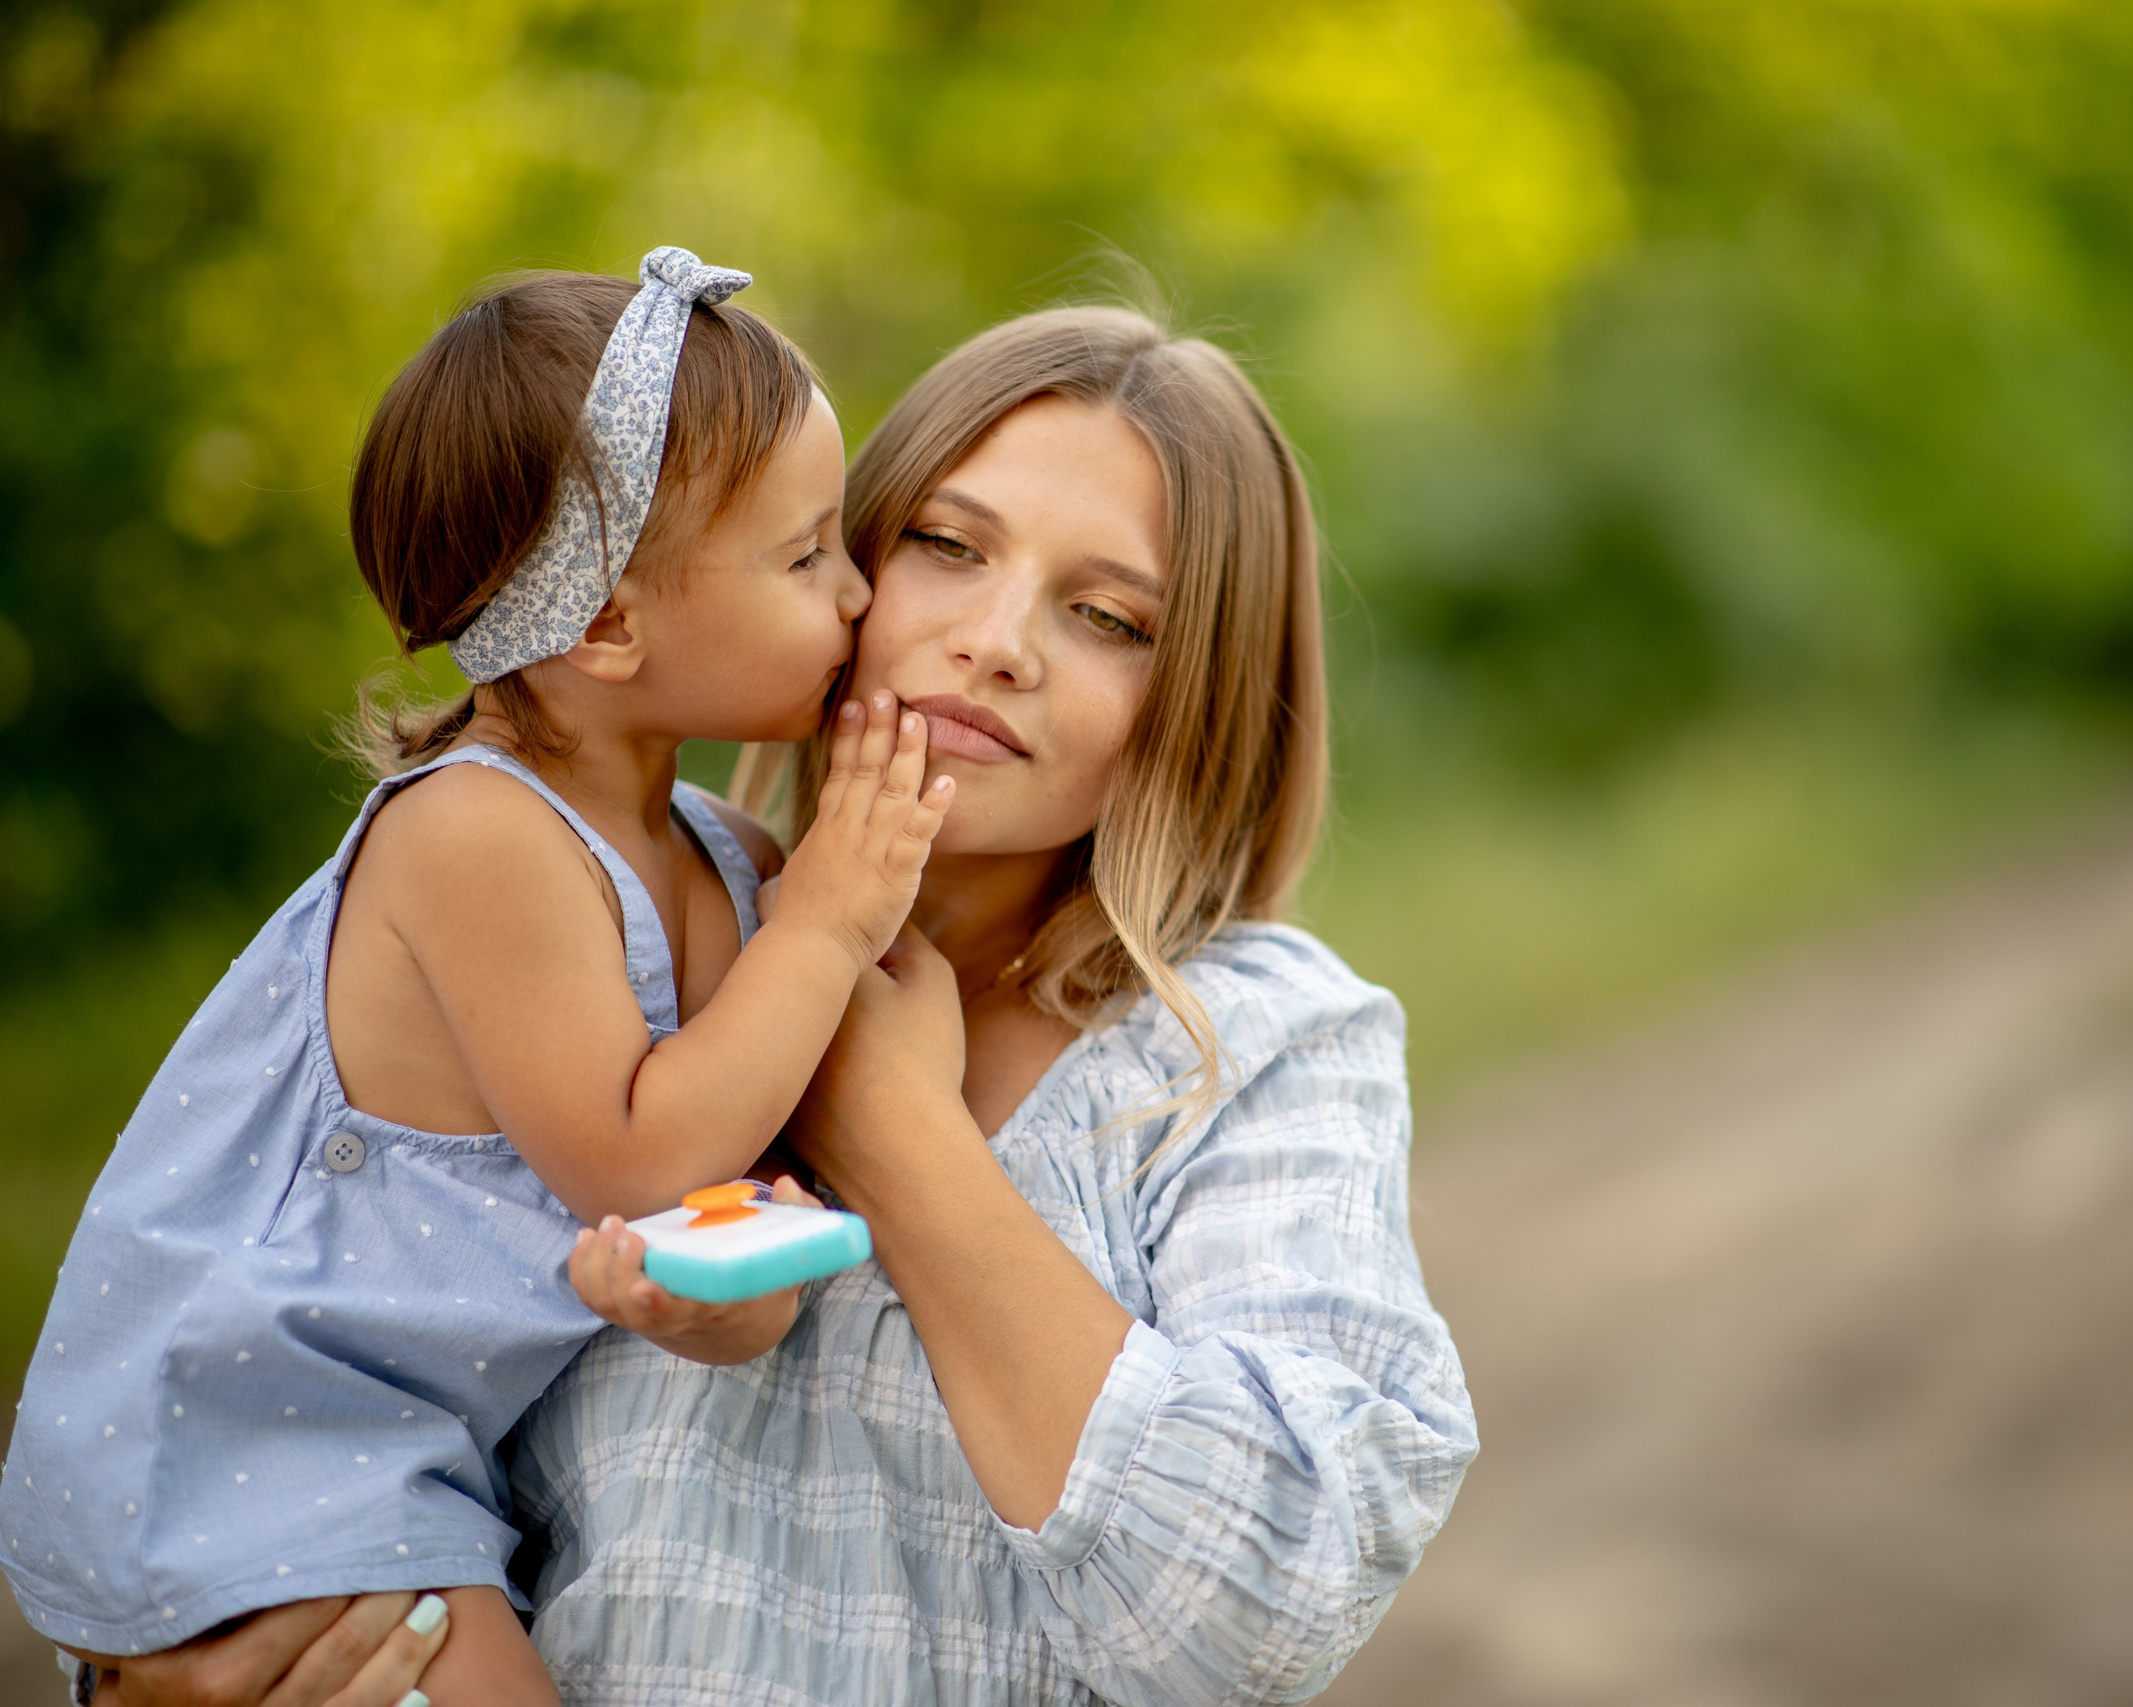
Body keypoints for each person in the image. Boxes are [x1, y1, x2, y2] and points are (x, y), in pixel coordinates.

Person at [92, 303, 1479, 1707]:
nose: (999, 642)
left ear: (1200, 699)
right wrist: (177, 1674)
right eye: (947, 545)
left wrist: (891, 1126)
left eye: (1111, 617)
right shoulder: (603, 911)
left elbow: (1257, 1618)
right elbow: (339, 1381)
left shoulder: (1252, 1047)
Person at [7, 248, 950, 1705]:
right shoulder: (478, 833)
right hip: (255, 1431)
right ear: (608, 626)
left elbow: (724, 1192)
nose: (858, 589)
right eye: (807, 553)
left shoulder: (719, 856)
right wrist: (824, 924)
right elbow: (635, 1159)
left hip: (402, 1444)